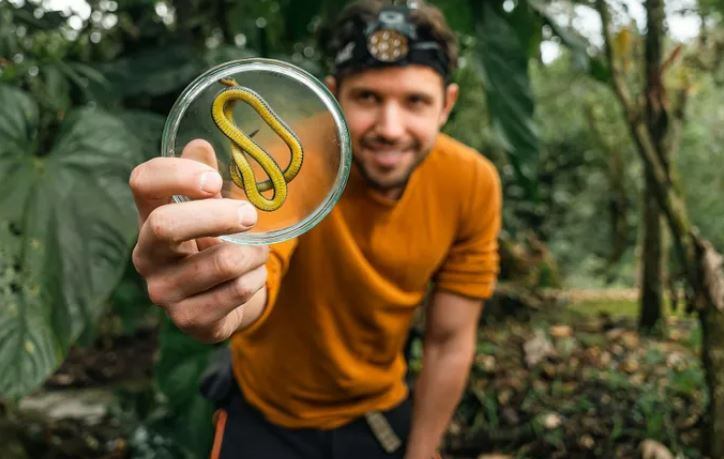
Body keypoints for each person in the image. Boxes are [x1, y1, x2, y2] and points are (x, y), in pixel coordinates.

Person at [129, 1, 501, 457]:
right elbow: (258, 268)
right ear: (335, 95)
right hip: (265, 418)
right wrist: (221, 292)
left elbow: (449, 340)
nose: (390, 127)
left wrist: (423, 451)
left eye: (415, 101)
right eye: (368, 97)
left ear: (447, 105)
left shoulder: (472, 183)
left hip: (379, 418)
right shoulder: (288, 158)